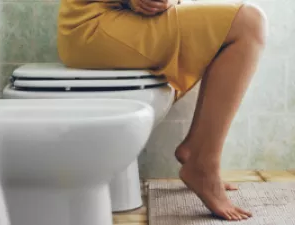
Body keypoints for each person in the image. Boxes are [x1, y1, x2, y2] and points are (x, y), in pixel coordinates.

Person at [57, 0, 266, 221]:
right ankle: (203, 162)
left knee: (234, 23)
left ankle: (197, 151)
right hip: (90, 23)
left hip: (110, 17)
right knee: (249, 23)